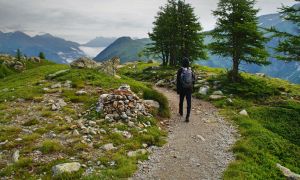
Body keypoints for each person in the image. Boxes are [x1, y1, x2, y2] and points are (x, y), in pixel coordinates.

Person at [176, 57, 195, 122]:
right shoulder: (191, 69)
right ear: (188, 63)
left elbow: (178, 80)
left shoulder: (180, 70)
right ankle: (187, 116)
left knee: (181, 101)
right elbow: (193, 79)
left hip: (182, 88)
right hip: (189, 89)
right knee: (189, 103)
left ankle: (181, 112)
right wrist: (192, 87)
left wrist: (178, 90)